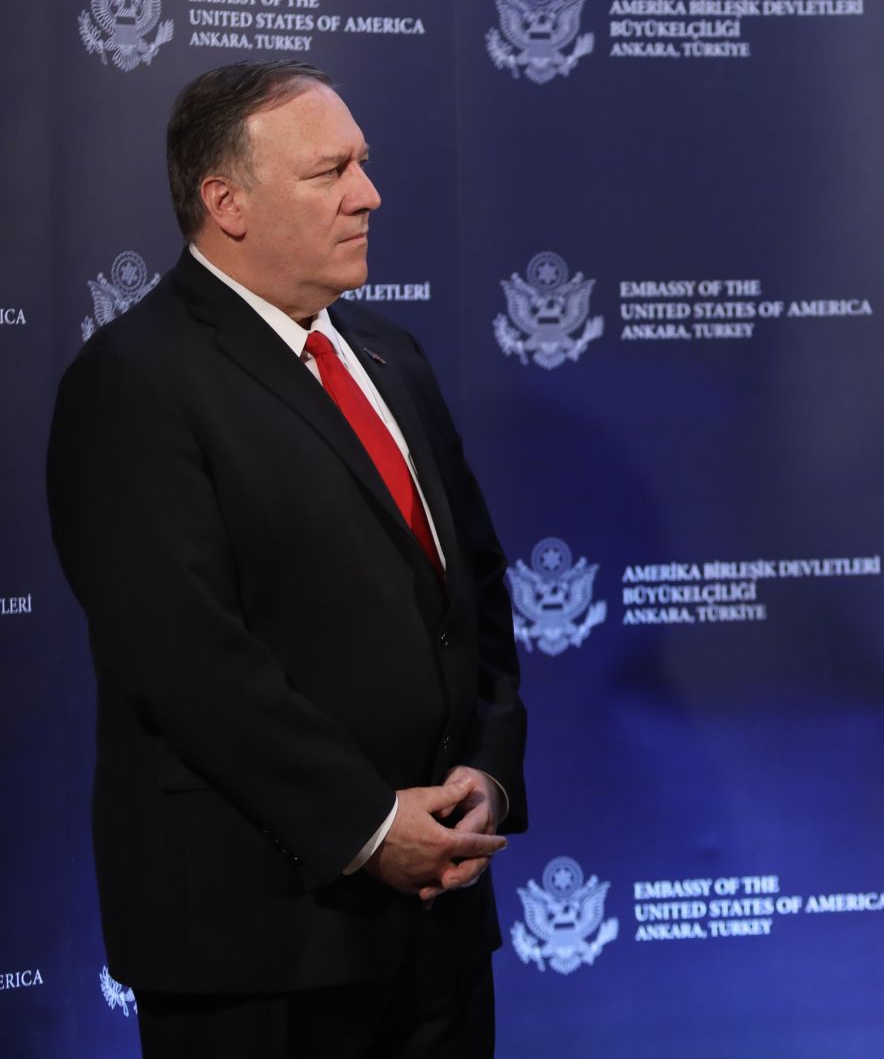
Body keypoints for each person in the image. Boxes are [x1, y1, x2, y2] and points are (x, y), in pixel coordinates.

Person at [46, 60, 528, 1058]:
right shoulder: (133, 382)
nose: (370, 194)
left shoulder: (391, 351)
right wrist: (364, 825)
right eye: (330, 172)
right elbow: (184, 659)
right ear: (226, 202)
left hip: (439, 922)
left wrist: (488, 767)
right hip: (259, 940)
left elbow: (471, 586)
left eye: (364, 164)